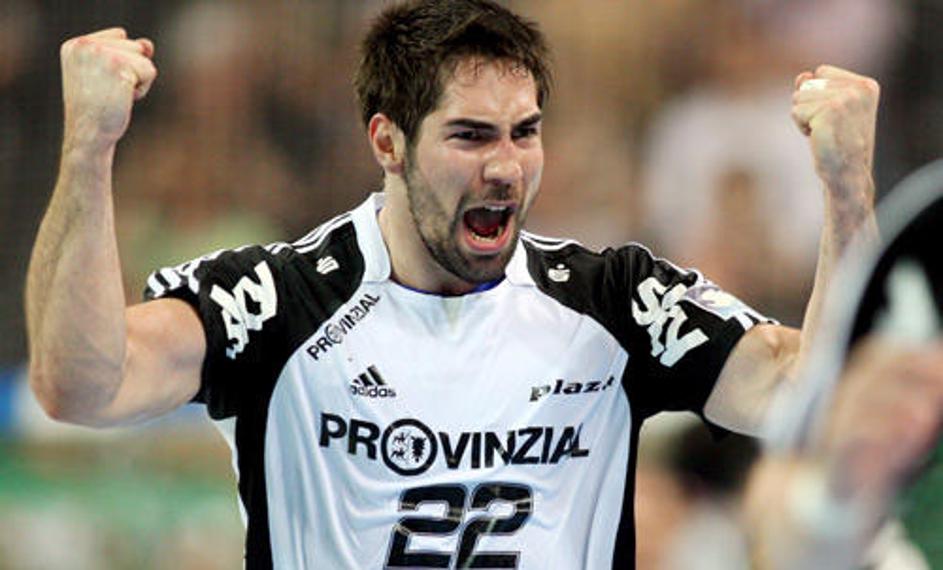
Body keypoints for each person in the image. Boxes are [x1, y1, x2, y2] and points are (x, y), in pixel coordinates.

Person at [24, 1, 879, 567]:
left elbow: (827, 401)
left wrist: (846, 193)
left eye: (524, 132)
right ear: (387, 142)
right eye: (469, 136)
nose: (505, 167)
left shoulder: (611, 302)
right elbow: (81, 384)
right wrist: (90, 146)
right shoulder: (278, 301)